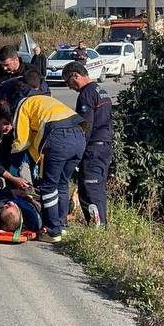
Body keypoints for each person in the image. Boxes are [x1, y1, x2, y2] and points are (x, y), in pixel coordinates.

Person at [0, 70, 86, 242]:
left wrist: (13, 165)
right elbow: (35, 137)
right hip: (79, 136)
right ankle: (61, 226)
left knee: (48, 186)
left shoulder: (24, 104)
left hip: (58, 138)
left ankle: (52, 231)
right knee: (61, 182)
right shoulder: (47, 100)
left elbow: (22, 141)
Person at [63, 61, 113, 227]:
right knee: (97, 188)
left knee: (89, 189)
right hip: (104, 146)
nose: (71, 87)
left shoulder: (86, 95)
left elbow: (86, 127)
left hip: (93, 149)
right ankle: (102, 226)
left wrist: (77, 153)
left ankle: (97, 227)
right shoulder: (101, 91)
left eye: (69, 82)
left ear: (76, 75)